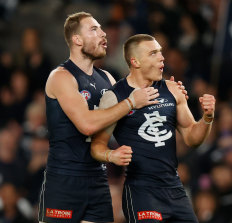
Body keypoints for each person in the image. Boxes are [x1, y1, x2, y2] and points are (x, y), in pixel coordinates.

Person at [38, 12, 186, 223]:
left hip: (98, 179)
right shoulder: (61, 77)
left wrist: (169, 92)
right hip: (65, 180)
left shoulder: (107, 78)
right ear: (77, 39)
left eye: (101, 28)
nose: (103, 33)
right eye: (94, 29)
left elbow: (136, 97)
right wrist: (130, 103)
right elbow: (87, 125)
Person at [91, 34, 216, 222]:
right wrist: (112, 155)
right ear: (136, 61)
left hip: (174, 187)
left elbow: (192, 138)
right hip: (142, 191)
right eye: (153, 53)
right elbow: (96, 146)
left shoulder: (172, 89)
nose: (162, 57)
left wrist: (207, 117)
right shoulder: (115, 97)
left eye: (160, 52)